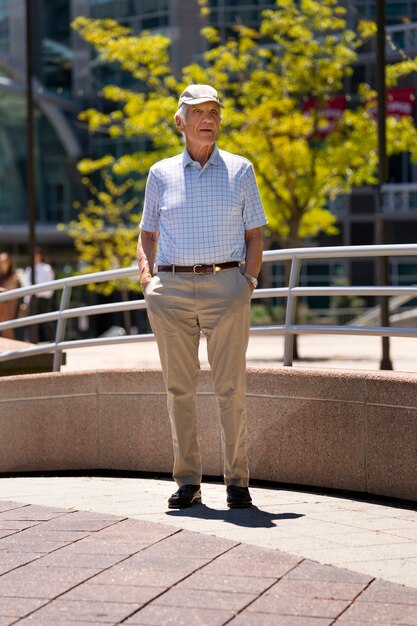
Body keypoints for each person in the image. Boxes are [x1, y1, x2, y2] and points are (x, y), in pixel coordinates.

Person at [137, 84, 267, 509]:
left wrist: (246, 282)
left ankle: (237, 482)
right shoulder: (160, 174)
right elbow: (147, 234)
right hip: (170, 290)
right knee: (180, 388)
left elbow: (254, 234)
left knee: (231, 387)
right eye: (198, 112)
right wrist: (146, 278)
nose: (208, 118)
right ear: (180, 122)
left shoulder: (241, 170)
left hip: (226, 287)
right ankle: (188, 482)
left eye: (214, 111)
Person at [24, 247, 55, 343]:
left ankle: (51, 341)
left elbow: (48, 285)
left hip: (43, 298)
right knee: (31, 321)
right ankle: (31, 341)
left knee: (44, 321)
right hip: (32, 298)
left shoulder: (46, 268)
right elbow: (26, 284)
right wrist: (26, 300)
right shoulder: (29, 269)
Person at [0, 252, 20, 339]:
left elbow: (11, 289)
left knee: (7, 326)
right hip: (2, 302)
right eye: (1, 261)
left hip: (9, 302)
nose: (3, 263)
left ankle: (10, 349)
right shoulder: (1, 275)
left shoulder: (13, 275)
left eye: (5, 261)